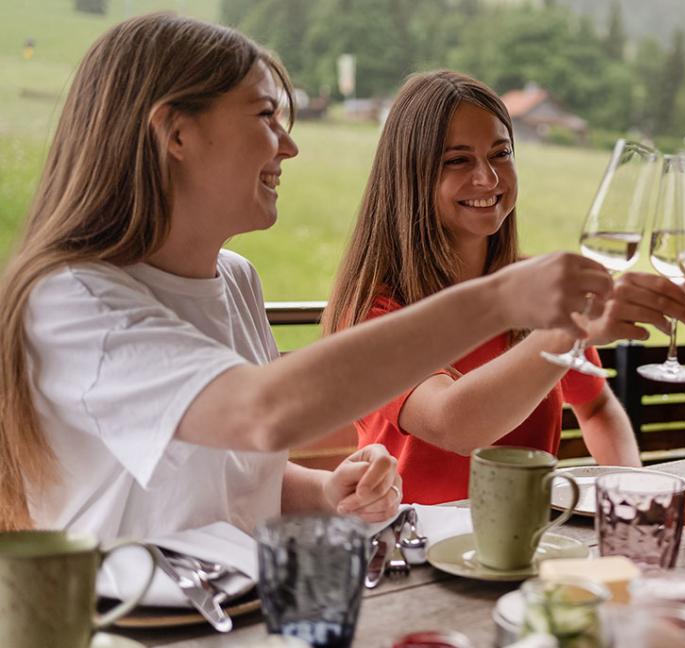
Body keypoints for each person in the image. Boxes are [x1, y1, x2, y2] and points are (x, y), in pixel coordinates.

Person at [0, 15, 616, 538]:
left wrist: (326, 491)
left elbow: (235, 470)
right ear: (176, 132)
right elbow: (262, 414)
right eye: (267, 115)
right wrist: (501, 300)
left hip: (238, 612)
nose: (288, 146)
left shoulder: (234, 279)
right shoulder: (72, 300)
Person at [324, 70, 685, 504]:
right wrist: (571, 329)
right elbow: (455, 425)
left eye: (500, 154)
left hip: (527, 548)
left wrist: (634, 502)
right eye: (458, 160)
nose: (488, 179)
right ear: (411, 175)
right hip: (416, 554)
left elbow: (596, 407)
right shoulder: (371, 311)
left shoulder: (539, 289)